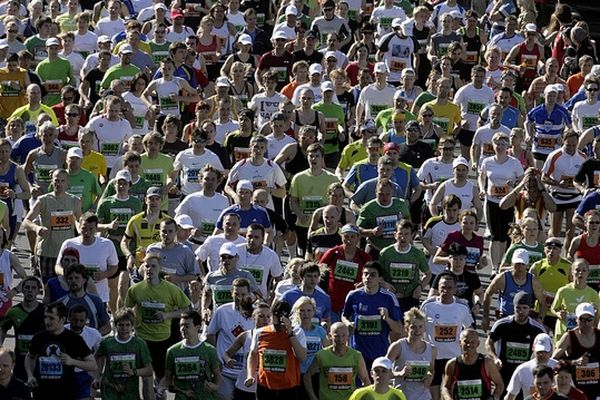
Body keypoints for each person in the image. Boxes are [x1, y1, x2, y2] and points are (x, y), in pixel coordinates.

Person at [124, 251, 191, 399]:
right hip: (142, 339)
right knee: (146, 378)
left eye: (153, 266)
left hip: (163, 339)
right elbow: (126, 310)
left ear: (160, 269)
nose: (150, 269)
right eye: (146, 266)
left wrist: (167, 315)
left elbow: (186, 309)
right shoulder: (135, 289)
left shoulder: (171, 289)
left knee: (161, 381)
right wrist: (131, 323)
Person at [24, 301, 96, 400]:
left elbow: (93, 365)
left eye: (51, 318)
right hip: (40, 393)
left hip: (65, 393)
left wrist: (72, 361)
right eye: (45, 317)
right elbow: (30, 356)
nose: (47, 322)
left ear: (62, 319)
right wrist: (30, 375)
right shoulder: (39, 338)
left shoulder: (74, 339)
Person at [420, 273, 474, 400]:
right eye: (443, 287)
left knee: (450, 393)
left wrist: (468, 351)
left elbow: (470, 330)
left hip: (453, 357)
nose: (445, 291)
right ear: (438, 288)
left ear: (455, 289)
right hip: (433, 357)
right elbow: (418, 327)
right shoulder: (428, 305)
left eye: (449, 288)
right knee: (434, 395)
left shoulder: (462, 307)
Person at [23, 169, 81, 282]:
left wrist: (80, 230)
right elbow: (26, 221)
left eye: (62, 181)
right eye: (56, 181)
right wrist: (37, 228)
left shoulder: (75, 201)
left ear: (67, 182)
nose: (59, 184)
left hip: (67, 254)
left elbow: (79, 220)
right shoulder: (43, 200)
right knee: (48, 289)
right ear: (51, 181)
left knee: (67, 288)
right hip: (47, 252)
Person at [343, 261, 403, 370]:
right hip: (357, 352)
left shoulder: (389, 298)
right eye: (365, 274)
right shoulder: (353, 295)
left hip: (379, 352)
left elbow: (399, 329)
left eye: (373, 275)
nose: (368, 277)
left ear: (380, 279)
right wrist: (348, 324)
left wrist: (387, 318)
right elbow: (344, 316)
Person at [244, 300, 307, 400]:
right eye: (276, 317)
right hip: (265, 386)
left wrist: (290, 333)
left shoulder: (297, 332)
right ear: (272, 315)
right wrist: (250, 375)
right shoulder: (260, 332)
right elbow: (253, 354)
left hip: (289, 386)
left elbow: (302, 357)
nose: (279, 322)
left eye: (283, 317)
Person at [205, 278, 255, 400]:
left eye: (243, 294)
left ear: (249, 295)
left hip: (246, 372)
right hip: (225, 371)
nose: (239, 298)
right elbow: (210, 334)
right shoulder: (222, 311)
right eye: (236, 294)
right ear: (231, 293)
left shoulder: (256, 314)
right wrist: (216, 358)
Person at [57, 212, 118, 307]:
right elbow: (57, 266)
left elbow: (114, 266)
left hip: (99, 296)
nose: (87, 232)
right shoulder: (69, 244)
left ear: (96, 228)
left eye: (91, 229)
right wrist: (66, 273)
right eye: (84, 228)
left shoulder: (107, 244)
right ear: (79, 227)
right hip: (73, 295)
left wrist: (104, 274)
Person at [486, 291, 546, 387]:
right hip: (504, 373)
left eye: (524, 308)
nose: (521, 312)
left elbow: (547, 350)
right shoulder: (502, 324)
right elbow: (489, 343)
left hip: (526, 375)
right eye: (518, 308)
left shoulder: (537, 329)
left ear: (530, 309)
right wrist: (495, 358)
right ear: (513, 308)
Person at [159, 311, 221, 400]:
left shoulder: (209, 350)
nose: (183, 329)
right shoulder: (172, 351)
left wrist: (215, 387)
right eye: (181, 325)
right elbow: (167, 378)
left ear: (197, 327)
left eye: (187, 326)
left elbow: (217, 375)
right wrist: (161, 389)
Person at [93, 307, 153, 400]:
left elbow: (148, 370)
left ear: (132, 326)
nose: (124, 328)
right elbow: (97, 358)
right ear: (115, 326)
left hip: (130, 392)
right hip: (110, 391)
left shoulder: (139, 344)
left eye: (127, 325)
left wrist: (134, 372)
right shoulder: (107, 343)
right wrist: (97, 376)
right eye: (121, 325)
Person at [304, 322, 370, 400]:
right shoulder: (322, 355)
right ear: (330, 336)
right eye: (336, 336)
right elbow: (307, 376)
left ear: (348, 336)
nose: (340, 339)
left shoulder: (356, 356)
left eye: (343, 336)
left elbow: (366, 380)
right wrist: (312, 397)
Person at [482, 248, 546, 331]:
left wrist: (540, 319)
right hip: (505, 318)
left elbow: (543, 302)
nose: (519, 267)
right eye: (517, 263)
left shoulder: (533, 281)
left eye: (522, 264)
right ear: (512, 263)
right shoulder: (502, 278)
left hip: (525, 320)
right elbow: (488, 293)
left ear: (527, 265)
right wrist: (485, 317)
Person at [379, 219, 431, 312]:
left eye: (406, 234)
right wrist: (385, 284)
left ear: (412, 236)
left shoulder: (418, 254)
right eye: (400, 234)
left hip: (410, 299)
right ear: (395, 235)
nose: (403, 238)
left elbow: (428, 274)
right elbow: (378, 275)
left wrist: (420, 287)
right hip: (390, 297)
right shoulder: (385, 253)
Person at [0, 276, 44, 381]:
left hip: (40, 361)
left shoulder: (45, 310)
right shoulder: (13, 311)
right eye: (27, 287)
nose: (30, 290)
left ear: (38, 291)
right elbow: (3, 330)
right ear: (22, 290)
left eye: (33, 288)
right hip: (20, 362)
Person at [552, 302, 600, 399]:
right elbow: (553, 360)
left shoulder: (599, 335)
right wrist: (573, 362)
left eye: (589, 319)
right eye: (582, 319)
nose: (586, 323)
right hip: (575, 387)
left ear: (594, 319)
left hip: (597, 387)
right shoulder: (569, 337)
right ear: (576, 320)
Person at [386, 307, 436, 400]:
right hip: (401, 396)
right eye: (413, 327)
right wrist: (400, 374)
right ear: (406, 328)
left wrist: (429, 377)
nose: (417, 331)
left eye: (420, 327)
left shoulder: (432, 349)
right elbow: (383, 372)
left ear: (425, 328)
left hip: (423, 397)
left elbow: (431, 370)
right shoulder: (397, 347)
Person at [202, 243, 259, 321]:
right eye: (223, 257)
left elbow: (258, 296)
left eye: (230, 257)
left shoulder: (246, 275)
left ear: (237, 258)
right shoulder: (211, 277)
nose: (226, 260)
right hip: (219, 319)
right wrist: (204, 309)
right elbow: (207, 294)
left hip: (240, 319)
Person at [442, 328, 504, 400]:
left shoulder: (487, 363)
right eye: (466, 341)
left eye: (472, 342)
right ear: (460, 342)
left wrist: (494, 397)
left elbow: (500, 384)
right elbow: (446, 387)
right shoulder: (452, 364)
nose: (469, 345)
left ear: (478, 344)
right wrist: (449, 398)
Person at [58, 264, 111, 336]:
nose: (73, 281)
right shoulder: (61, 303)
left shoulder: (95, 301)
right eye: (70, 278)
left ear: (84, 280)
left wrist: (93, 336)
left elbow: (107, 326)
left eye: (76, 278)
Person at [505, 333, 558, 400]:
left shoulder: (558, 367)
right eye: (539, 352)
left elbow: (570, 391)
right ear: (533, 348)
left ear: (551, 350)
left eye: (545, 351)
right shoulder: (522, 370)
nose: (542, 355)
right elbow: (510, 396)